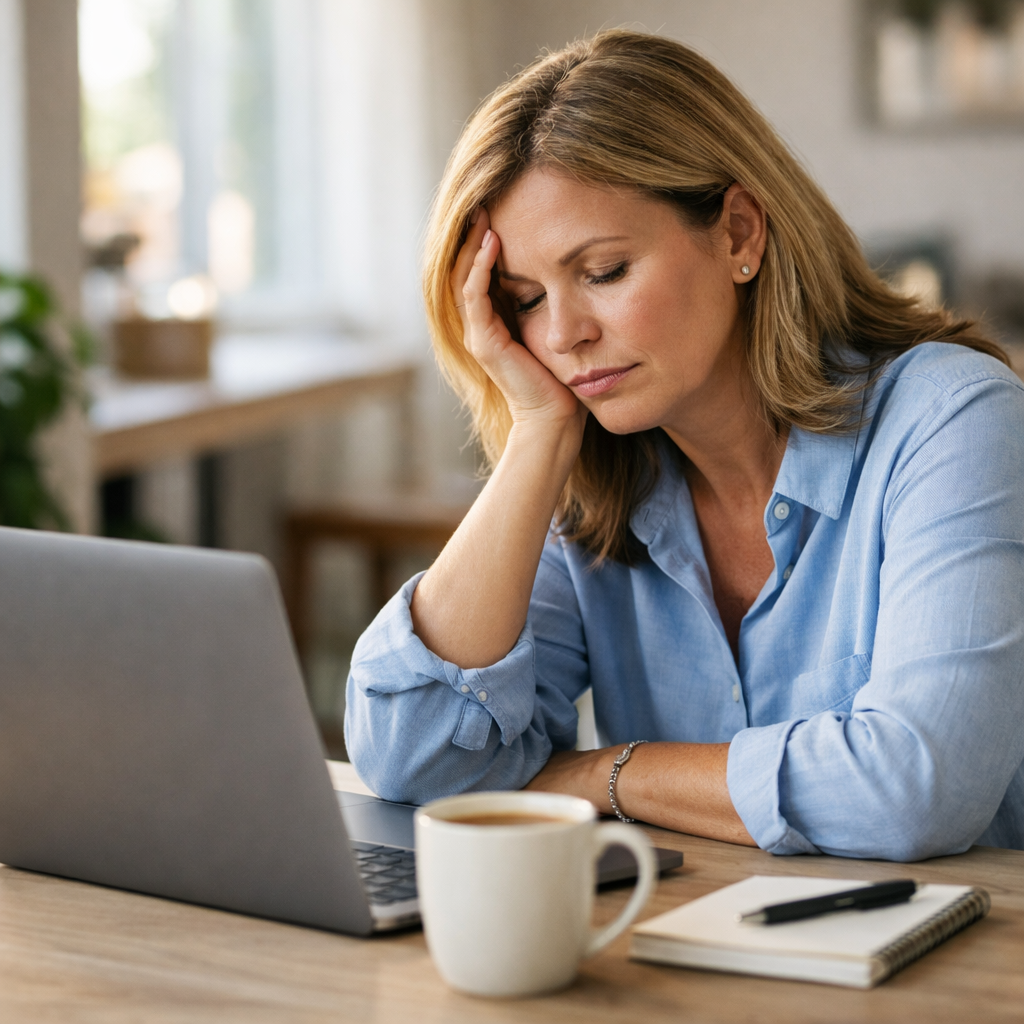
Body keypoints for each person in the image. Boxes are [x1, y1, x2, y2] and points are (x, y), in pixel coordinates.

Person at [345, 30, 1024, 860]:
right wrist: (538, 435)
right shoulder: (592, 485)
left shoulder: (953, 417)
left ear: (739, 233)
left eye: (603, 273)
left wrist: (600, 775)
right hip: (695, 957)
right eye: (524, 299)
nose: (562, 335)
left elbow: (918, 788)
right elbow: (412, 758)